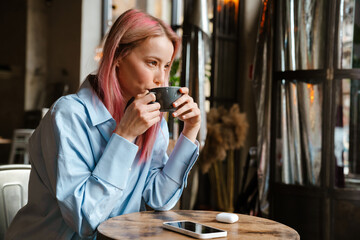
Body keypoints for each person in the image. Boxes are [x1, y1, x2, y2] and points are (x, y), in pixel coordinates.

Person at [6, 9, 201, 240]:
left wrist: (190, 132)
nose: (162, 79)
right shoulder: (69, 116)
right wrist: (125, 136)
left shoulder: (152, 120)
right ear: (118, 56)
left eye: (166, 66)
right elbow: (86, 221)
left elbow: (160, 199)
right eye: (152, 63)